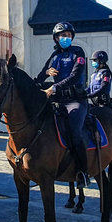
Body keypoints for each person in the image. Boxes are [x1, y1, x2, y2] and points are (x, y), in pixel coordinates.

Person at [35, 22, 90, 188]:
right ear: (56, 38)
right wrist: (46, 72)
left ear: (72, 37)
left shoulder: (78, 52)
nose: (65, 38)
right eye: (62, 35)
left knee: (75, 132)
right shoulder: (54, 56)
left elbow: (75, 76)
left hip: (75, 100)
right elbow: (39, 78)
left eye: (68, 35)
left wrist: (54, 87)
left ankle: (83, 172)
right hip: (57, 100)